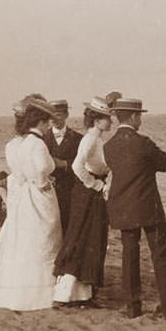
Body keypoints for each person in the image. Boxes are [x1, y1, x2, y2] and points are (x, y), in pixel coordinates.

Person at [0, 97, 62, 311]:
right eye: (47, 122)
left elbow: (18, 172)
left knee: (22, 238)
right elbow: (41, 170)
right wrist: (45, 182)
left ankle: (17, 284)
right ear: (40, 123)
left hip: (22, 197)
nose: (49, 126)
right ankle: (42, 289)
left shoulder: (16, 144)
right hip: (38, 195)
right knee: (43, 238)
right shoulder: (37, 144)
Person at [104, 97, 166, 320]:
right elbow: (165, 163)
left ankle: (133, 308)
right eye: (140, 116)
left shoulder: (109, 146)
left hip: (123, 207)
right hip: (148, 208)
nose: (141, 120)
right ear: (135, 117)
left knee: (129, 256)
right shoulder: (143, 143)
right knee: (160, 255)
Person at [53, 97, 113, 305]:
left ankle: (81, 294)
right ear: (97, 120)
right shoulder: (90, 139)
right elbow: (78, 166)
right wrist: (96, 185)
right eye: (107, 118)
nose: (111, 122)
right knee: (82, 238)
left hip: (89, 194)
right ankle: (69, 293)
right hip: (87, 194)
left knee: (89, 240)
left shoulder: (96, 138)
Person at [43, 100, 83, 236]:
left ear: (67, 115)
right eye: (51, 115)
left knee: (67, 226)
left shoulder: (78, 138)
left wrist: (65, 164)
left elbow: (83, 164)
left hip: (69, 190)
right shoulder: (41, 138)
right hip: (47, 190)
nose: (53, 118)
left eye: (58, 115)